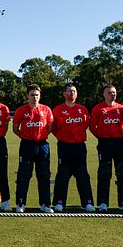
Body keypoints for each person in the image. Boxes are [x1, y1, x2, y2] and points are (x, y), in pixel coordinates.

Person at [51, 83, 94, 212]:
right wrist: (64, 137)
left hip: (80, 147)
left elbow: (86, 125)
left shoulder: (83, 109)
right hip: (64, 147)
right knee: (63, 175)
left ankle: (87, 202)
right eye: (70, 91)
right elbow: (53, 128)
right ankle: (59, 202)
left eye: (74, 91)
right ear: (64, 94)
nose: (72, 94)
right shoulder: (58, 110)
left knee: (83, 175)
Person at [12, 84, 54, 213]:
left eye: (37, 95)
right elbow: (15, 129)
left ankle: (45, 204)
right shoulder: (21, 110)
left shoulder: (46, 109)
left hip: (42, 145)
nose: (34, 97)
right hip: (27, 146)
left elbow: (50, 127)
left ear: (40, 96)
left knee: (44, 176)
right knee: (23, 176)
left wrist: (41, 136)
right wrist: (26, 137)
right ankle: (20, 203)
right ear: (27, 96)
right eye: (32, 95)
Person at [89, 85, 123, 212]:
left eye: (114, 92)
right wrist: (101, 137)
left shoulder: (121, 108)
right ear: (104, 94)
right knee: (104, 173)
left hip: (119, 142)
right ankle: (103, 203)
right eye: (109, 92)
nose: (112, 94)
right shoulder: (98, 108)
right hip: (104, 143)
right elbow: (92, 127)